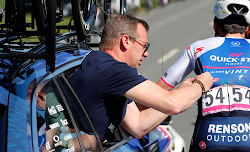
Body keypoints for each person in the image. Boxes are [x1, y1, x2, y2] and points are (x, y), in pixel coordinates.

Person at [157, 0, 250, 152]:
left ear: (216, 25)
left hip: (209, 139)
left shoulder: (198, 48)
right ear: (247, 29)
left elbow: (162, 89)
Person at [68, 13, 213, 144]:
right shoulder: (114, 71)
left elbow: (137, 125)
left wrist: (181, 90)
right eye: (144, 46)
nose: (146, 54)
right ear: (125, 41)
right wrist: (202, 83)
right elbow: (174, 104)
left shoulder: (99, 63)